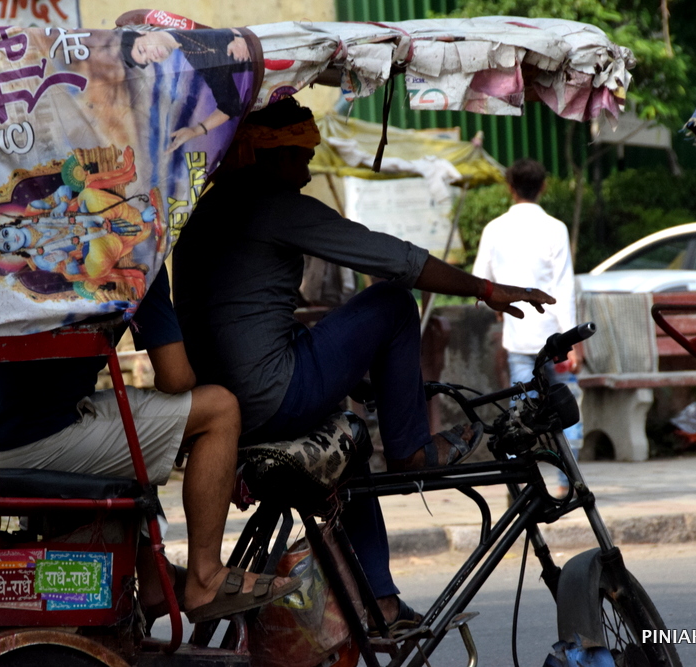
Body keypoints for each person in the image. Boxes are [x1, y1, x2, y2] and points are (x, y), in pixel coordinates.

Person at [172, 98, 555, 632]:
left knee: (349, 446)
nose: (307, 173)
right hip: (271, 396)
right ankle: (410, 450)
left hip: (232, 402)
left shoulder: (208, 209)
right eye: (301, 159)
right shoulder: (274, 204)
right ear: (270, 157)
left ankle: (383, 603)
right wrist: (485, 289)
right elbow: (396, 260)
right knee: (394, 302)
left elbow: (247, 322)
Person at [0, 266, 297, 623]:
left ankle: (153, 580)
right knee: (219, 410)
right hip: (37, 438)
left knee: (143, 421)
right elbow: (175, 377)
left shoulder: (25, 245)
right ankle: (206, 579)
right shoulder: (138, 254)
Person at [471, 158, 582, 492]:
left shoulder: (494, 229)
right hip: (555, 340)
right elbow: (564, 288)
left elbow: (480, 280)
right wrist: (572, 341)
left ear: (510, 187)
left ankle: (516, 482)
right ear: (543, 186)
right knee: (566, 407)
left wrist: (499, 306)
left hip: (519, 339)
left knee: (518, 412)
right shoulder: (555, 228)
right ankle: (568, 482)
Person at [119, 29, 252, 151]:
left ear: (143, 32)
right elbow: (230, 106)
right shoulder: (198, 60)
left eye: (142, 49)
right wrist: (195, 131)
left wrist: (239, 35)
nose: (152, 56)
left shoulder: (176, 21)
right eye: (148, 60)